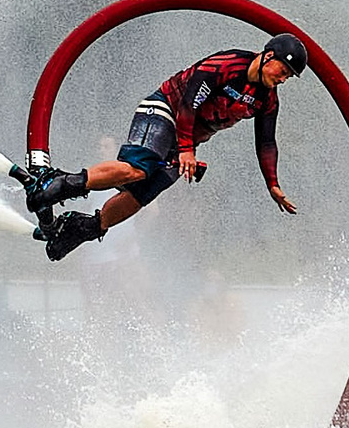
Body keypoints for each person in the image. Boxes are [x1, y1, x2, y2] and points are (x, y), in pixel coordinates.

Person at [18, 35, 307, 260]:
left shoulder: (267, 99)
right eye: (284, 70)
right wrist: (186, 150)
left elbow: (267, 142)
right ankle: (57, 183)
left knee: (144, 193)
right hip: (166, 110)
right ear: (269, 56)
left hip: (186, 142)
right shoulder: (224, 66)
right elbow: (188, 105)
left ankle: (86, 228)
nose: (283, 78)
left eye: (289, 77)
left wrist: (273, 184)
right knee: (138, 170)